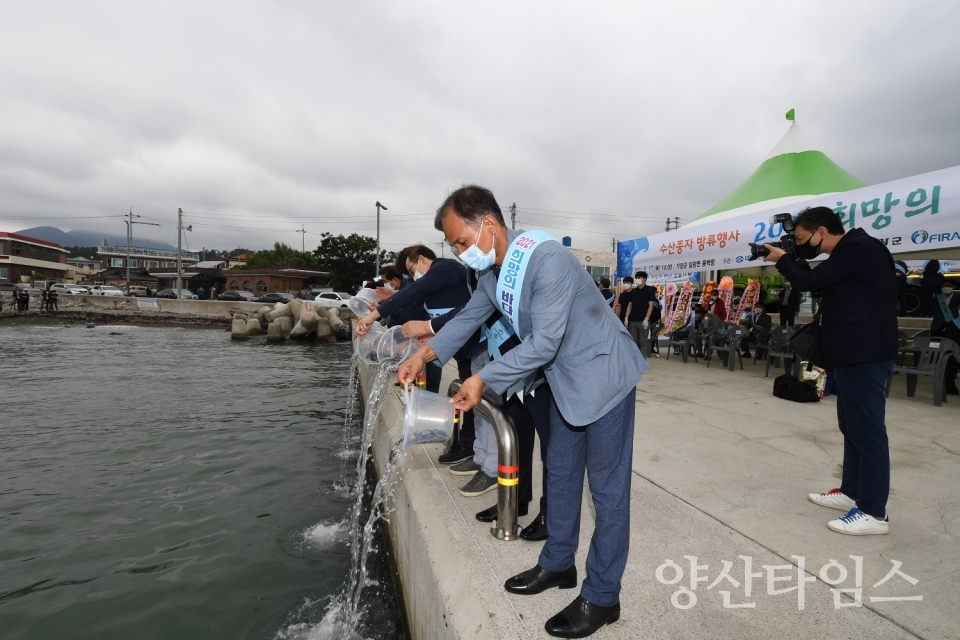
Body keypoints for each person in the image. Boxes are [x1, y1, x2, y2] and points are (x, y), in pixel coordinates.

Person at [397, 185, 648, 638]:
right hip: (563, 382)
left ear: (488, 226)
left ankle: (603, 596)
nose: (457, 251)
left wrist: (483, 378)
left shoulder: (546, 260)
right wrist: (425, 355)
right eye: (452, 245)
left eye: (459, 242)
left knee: (608, 493)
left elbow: (544, 341)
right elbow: (469, 318)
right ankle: (557, 564)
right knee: (561, 472)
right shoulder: (493, 275)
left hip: (604, 376)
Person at [764, 206, 897, 536]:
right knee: (851, 424)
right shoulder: (851, 252)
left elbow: (809, 282)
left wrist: (783, 259)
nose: (799, 243)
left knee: (867, 430)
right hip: (852, 352)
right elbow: (820, 282)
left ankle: (874, 512)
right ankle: (852, 492)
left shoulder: (858, 248)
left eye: (800, 237)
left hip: (865, 352)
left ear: (821, 231)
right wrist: (793, 259)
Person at [355, 244, 481, 468]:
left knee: (479, 399)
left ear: (421, 259)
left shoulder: (444, 268)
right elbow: (416, 304)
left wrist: (373, 316)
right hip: (461, 345)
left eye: (411, 271)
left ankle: (474, 450)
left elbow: (414, 292)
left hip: (477, 344)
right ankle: (468, 444)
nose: (412, 277)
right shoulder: (438, 281)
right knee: (468, 392)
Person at [930, 279, 960, 395]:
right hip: (939, 329)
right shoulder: (937, 299)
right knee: (943, 356)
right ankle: (948, 385)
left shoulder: (958, 297)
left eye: (948, 285)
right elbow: (932, 311)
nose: (946, 287)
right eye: (944, 285)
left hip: (954, 329)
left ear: (954, 286)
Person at [624, 271, 657, 357]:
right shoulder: (633, 292)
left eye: (639, 278)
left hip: (643, 321)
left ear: (644, 279)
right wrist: (626, 318)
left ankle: (642, 361)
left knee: (643, 342)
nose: (637, 279)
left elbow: (651, 306)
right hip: (632, 321)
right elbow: (629, 305)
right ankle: (635, 360)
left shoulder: (649, 291)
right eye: (636, 278)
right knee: (634, 342)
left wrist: (646, 319)